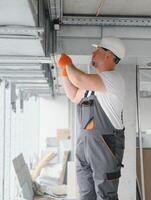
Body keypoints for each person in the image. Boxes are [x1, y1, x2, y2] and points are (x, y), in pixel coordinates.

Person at [57, 37, 126, 200]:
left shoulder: (113, 79)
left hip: (105, 145)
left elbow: (79, 79)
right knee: (86, 194)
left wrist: (69, 64)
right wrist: (65, 73)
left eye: (98, 50)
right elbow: (74, 95)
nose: (93, 53)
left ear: (108, 55)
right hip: (85, 142)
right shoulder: (92, 84)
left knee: (105, 194)